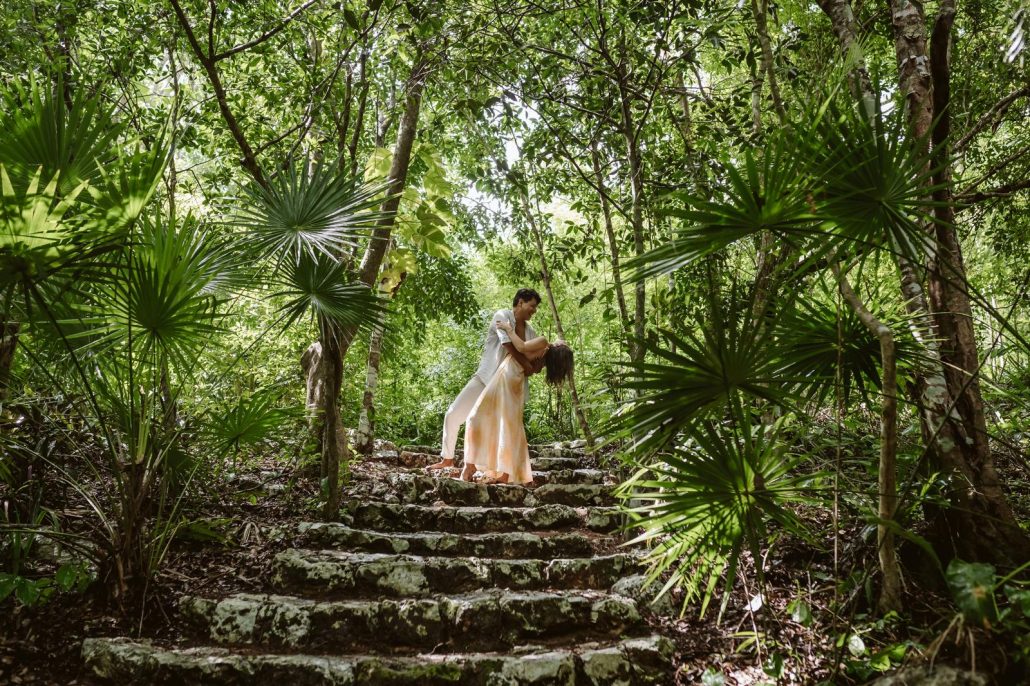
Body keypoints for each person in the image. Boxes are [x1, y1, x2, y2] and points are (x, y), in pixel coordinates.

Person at [427, 289, 542, 474]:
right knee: (454, 414)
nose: (534, 310)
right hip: (486, 377)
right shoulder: (502, 316)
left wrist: (536, 363)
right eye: (532, 306)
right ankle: (447, 458)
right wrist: (527, 365)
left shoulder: (531, 332)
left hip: (507, 387)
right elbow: (507, 344)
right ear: (520, 302)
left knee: (495, 427)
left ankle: (490, 469)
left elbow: (533, 360)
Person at [462, 320, 575, 484]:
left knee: (482, 417)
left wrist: (509, 329)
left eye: (563, 343)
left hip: (508, 376)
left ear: (559, 348)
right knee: (506, 423)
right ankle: (487, 469)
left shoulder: (544, 343)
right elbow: (531, 370)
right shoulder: (544, 356)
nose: (562, 340)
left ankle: (489, 469)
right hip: (513, 379)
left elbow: (521, 347)